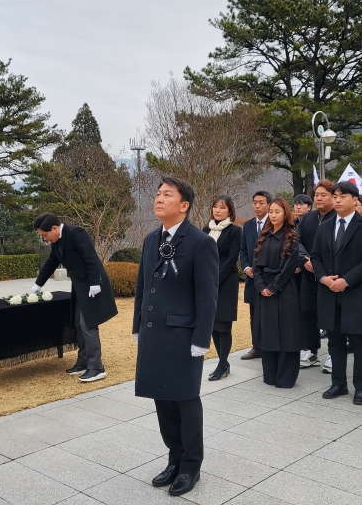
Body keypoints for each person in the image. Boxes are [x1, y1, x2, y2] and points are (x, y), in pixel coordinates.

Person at [133, 177, 218, 495]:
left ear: (184, 205)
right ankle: (174, 458)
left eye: (167, 194)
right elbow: (143, 285)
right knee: (162, 398)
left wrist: (201, 338)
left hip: (183, 337)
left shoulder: (200, 242)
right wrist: (138, 325)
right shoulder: (150, 239)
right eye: (157, 194)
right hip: (155, 334)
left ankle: (191, 466)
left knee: (184, 400)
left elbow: (207, 296)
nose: (158, 198)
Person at [311, 181, 362, 405]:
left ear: (355, 200)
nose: (337, 200)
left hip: (356, 294)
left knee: (360, 343)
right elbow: (316, 257)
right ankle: (338, 383)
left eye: (342, 196)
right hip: (329, 294)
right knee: (335, 342)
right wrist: (322, 277)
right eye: (335, 196)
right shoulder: (325, 226)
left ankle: (361, 388)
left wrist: (346, 280)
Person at [31, 213, 118, 382]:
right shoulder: (56, 242)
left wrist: (94, 283)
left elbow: (91, 258)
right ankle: (84, 360)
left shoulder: (76, 233)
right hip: (79, 286)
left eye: (45, 235)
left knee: (88, 324)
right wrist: (38, 284)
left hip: (93, 285)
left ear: (54, 228)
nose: (45, 239)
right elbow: (51, 263)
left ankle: (97, 366)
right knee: (78, 322)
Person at [252, 197, 305, 388]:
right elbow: (255, 265)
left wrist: (274, 287)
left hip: (284, 290)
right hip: (264, 290)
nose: (273, 215)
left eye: (277, 212)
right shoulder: (263, 236)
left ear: (285, 214)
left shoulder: (291, 236)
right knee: (268, 333)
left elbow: (290, 267)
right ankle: (270, 375)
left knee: (287, 333)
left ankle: (286, 377)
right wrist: (260, 286)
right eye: (271, 212)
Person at [297, 180, 337, 371]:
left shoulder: (338, 218)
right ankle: (312, 350)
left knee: (330, 316)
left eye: (324, 194)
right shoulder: (307, 218)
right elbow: (297, 241)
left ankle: (333, 353)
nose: (319, 198)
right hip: (308, 276)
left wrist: (318, 262)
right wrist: (306, 259)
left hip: (329, 278)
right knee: (308, 313)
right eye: (317, 195)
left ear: (333, 196)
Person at [202, 195, 242, 381]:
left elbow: (232, 258)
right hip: (207, 284)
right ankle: (222, 362)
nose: (218, 210)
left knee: (223, 325)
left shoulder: (235, 231)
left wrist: (215, 278)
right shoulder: (205, 230)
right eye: (215, 207)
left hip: (226, 283)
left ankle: (222, 362)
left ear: (230, 211)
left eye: (222, 207)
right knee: (212, 326)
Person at [240, 190, 272, 360]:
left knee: (269, 313)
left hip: (268, 277)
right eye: (255, 202)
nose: (257, 206)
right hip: (252, 277)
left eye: (261, 202)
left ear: (268, 204)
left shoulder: (274, 223)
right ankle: (256, 346)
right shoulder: (248, 225)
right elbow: (243, 250)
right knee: (254, 314)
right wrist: (246, 268)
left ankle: (270, 346)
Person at [292, 194, 313, 296]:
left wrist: (302, 264)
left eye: (301, 204)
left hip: (309, 267)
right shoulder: (290, 225)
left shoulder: (315, 224)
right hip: (291, 270)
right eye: (296, 204)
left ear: (309, 207)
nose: (298, 207)